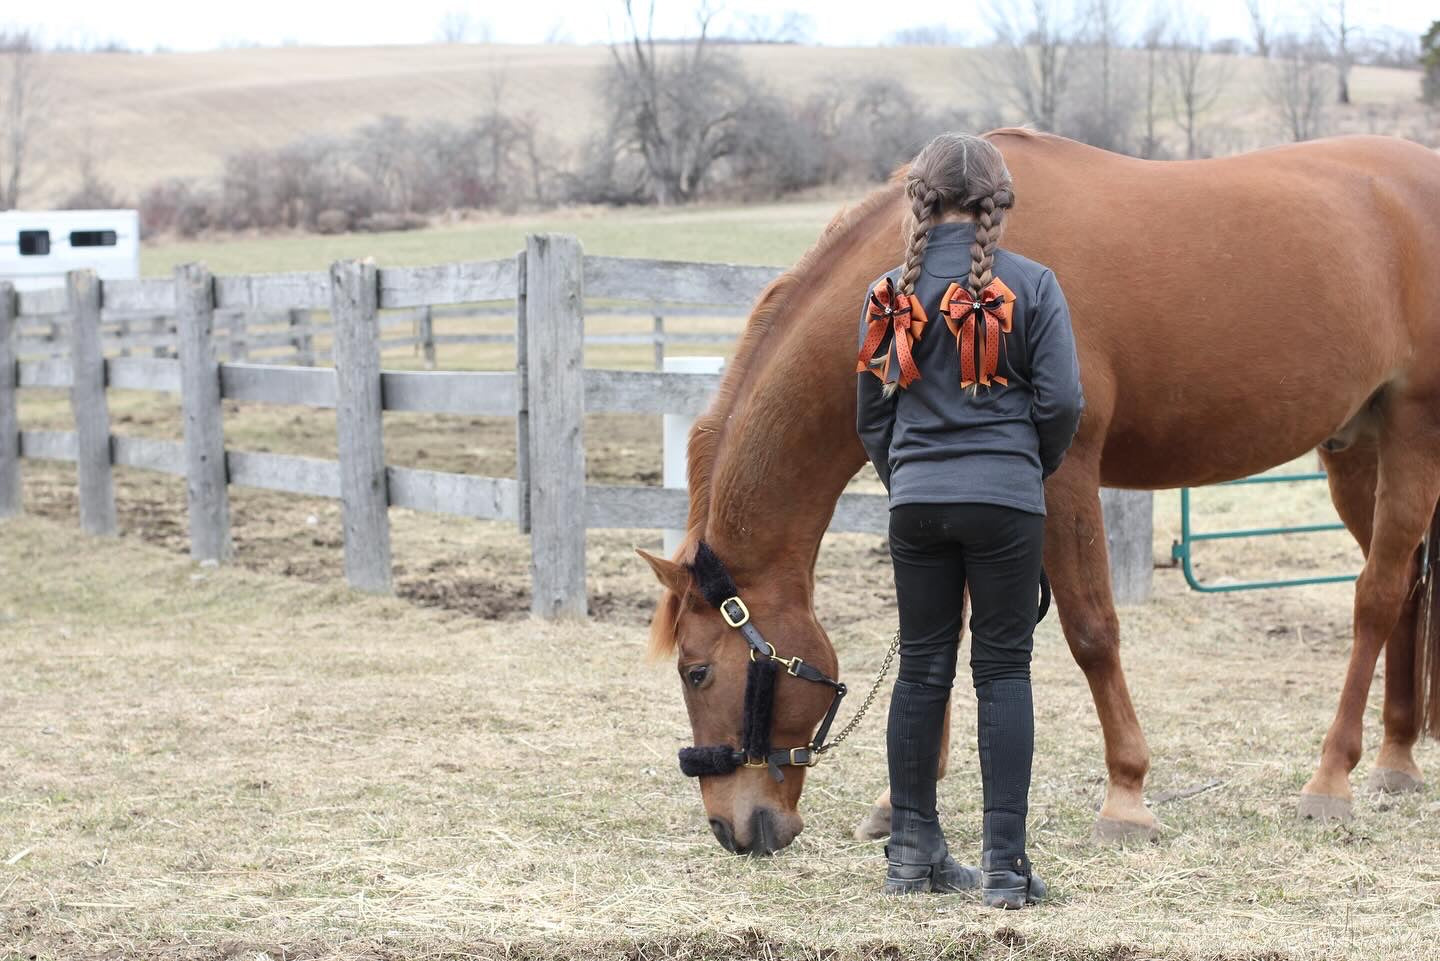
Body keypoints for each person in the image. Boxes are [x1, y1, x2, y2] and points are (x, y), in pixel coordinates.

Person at [855, 133, 1084, 907]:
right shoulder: (1035, 286)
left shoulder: (887, 292)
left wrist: (909, 477)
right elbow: (1063, 404)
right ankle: (1005, 868)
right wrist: (1025, 469)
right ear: (997, 201)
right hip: (1006, 500)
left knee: (922, 668)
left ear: (921, 200)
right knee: (1003, 670)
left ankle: (912, 854)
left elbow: (869, 418)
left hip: (916, 500)